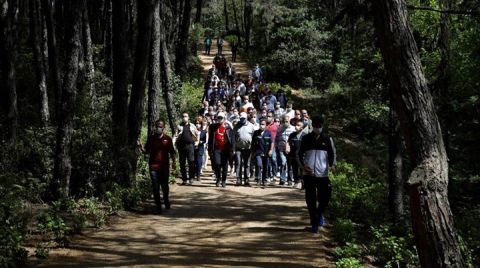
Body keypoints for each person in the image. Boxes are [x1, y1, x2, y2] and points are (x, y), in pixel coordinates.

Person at [299, 115, 337, 233]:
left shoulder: (327, 139)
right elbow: (299, 154)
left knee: (324, 198)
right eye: (315, 126)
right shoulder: (306, 138)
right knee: (310, 199)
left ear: (322, 126)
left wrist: (333, 165)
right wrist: (303, 166)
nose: (317, 127)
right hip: (309, 174)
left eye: (319, 126)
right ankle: (314, 224)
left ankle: (319, 214)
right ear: (312, 126)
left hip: (323, 174)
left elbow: (333, 154)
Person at [138, 120, 176, 213]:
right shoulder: (151, 139)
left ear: (163, 127)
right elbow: (146, 152)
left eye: (160, 126)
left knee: (164, 186)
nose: (159, 128)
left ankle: (166, 200)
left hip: (164, 166)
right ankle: (158, 207)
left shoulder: (168, 139)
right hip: (153, 167)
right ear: (155, 127)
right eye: (157, 126)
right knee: (155, 187)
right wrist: (140, 146)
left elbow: (172, 152)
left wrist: (174, 162)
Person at [208, 112, 234, 187]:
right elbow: (210, 139)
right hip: (217, 149)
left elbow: (232, 139)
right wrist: (210, 149)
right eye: (218, 118)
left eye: (221, 118)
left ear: (224, 119)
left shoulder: (228, 128)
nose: (220, 119)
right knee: (217, 163)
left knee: (225, 165)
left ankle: (223, 180)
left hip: (226, 150)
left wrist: (232, 149)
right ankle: (218, 178)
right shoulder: (213, 127)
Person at [175, 113, 199, 185]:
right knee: (182, 163)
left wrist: (197, 142)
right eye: (183, 116)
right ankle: (184, 179)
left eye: (185, 116)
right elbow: (176, 135)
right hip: (181, 147)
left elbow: (197, 134)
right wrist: (174, 143)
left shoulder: (192, 126)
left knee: (191, 161)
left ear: (188, 117)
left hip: (190, 146)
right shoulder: (179, 126)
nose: (184, 118)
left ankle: (191, 177)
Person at [233, 112, 255, 186]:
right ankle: (238, 179)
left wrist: (253, 148)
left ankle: (246, 179)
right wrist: (233, 148)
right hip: (238, 148)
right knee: (238, 163)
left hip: (248, 148)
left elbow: (254, 137)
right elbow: (233, 137)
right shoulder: (236, 126)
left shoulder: (251, 126)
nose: (242, 120)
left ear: (246, 118)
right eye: (241, 118)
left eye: (243, 118)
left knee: (247, 164)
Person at [252, 118, 273, 186]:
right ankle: (258, 179)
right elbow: (253, 143)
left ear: (266, 125)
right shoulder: (256, 133)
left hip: (266, 152)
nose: (262, 125)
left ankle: (264, 180)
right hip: (258, 152)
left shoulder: (269, 133)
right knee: (258, 165)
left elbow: (272, 142)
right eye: (261, 124)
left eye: (263, 124)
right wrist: (252, 152)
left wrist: (271, 150)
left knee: (265, 167)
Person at [275, 115, 295, 185]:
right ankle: (282, 179)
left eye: (287, 121)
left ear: (289, 121)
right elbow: (276, 139)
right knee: (283, 163)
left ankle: (289, 180)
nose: (285, 122)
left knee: (289, 165)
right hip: (281, 149)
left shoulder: (293, 129)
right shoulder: (279, 129)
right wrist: (277, 146)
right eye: (284, 121)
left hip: (290, 149)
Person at [287, 120, 305, 188]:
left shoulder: (305, 136)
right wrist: (287, 147)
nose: (296, 126)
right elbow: (288, 142)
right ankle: (296, 181)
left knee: (301, 169)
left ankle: (302, 182)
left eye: (298, 125)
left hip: (302, 156)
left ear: (302, 128)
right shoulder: (292, 135)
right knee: (294, 168)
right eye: (296, 125)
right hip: (293, 155)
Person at [194, 116, 208, 181]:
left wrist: (201, 142)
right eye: (196, 123)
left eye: (199, 123)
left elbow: (205, 140)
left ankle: (198, 175)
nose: (198, 125)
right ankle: (193, 174)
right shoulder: (192, 131)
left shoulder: (204, 132)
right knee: (194, 161)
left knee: (199, 161)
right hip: (193, 148)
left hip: (200, 148)